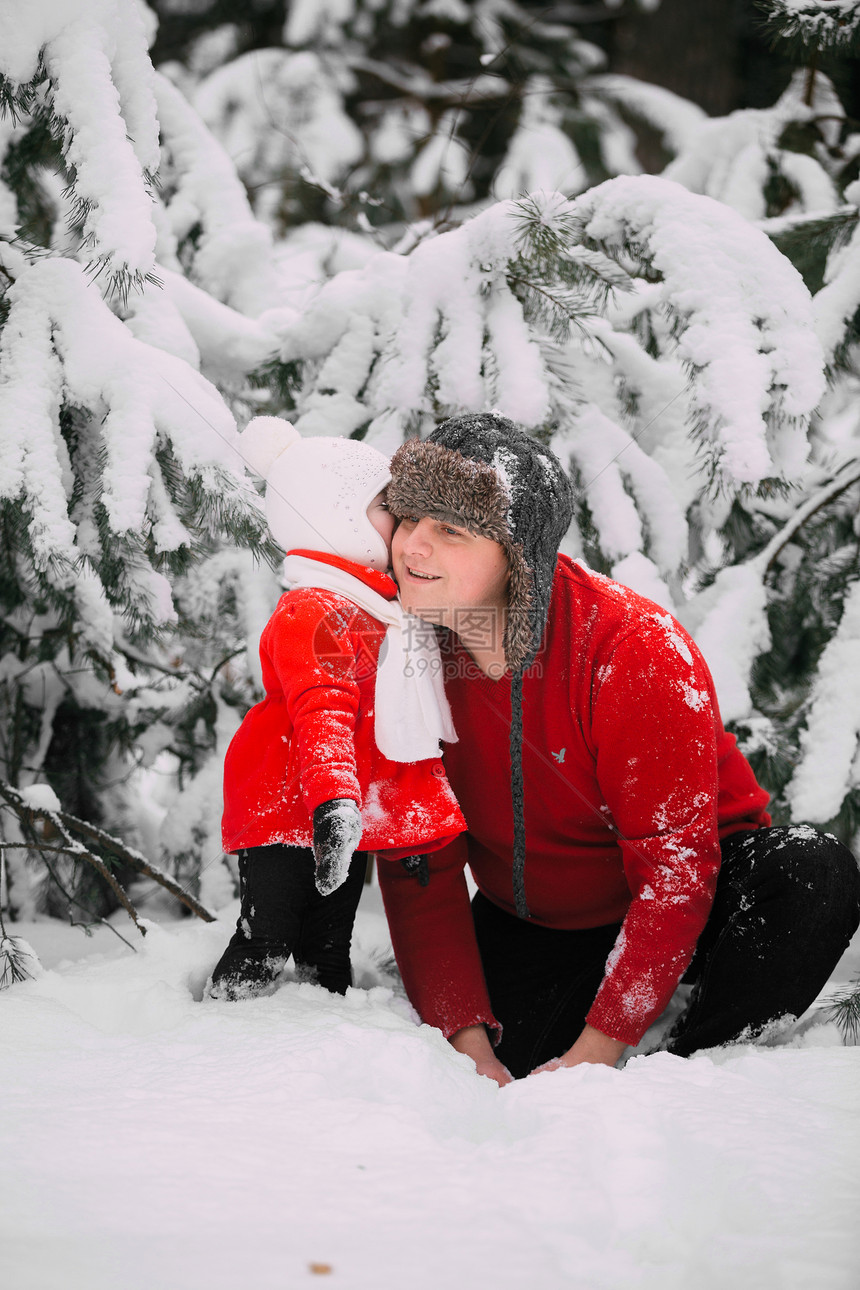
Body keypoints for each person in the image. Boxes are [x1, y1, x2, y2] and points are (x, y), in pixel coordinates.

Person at [377, 412, 860, 1083]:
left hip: (694, 896)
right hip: (537, 923)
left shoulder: (630, 650)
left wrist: (594, 1053)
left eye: (450, 530)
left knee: (813, 874)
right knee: (501, 1074)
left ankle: (689, 1067)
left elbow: (676, 875)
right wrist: (468, 1043)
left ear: (517, 554)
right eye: (408, 521)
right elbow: (416, 864)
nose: (412, 548)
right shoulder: (405, 647)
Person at [210, 417, 465, 999]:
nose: (399, 522)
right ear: (335, 515)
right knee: (267, 938)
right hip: (286, 797)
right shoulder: (314, 607)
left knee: (327, 947)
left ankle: (328, 1046)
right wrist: (334, 802)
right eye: (383, 506)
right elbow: (321, 708)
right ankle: (221, 1039)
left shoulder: (382, 610)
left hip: (343, 805)